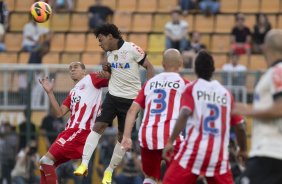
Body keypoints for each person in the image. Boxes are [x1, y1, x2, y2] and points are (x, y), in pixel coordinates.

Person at [74, 23, 155, 184]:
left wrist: (147, 91)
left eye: (101, 39)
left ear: (110, 36)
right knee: (98, 126)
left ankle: (109, 171)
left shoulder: (132, 49)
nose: (100, 43)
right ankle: (84, 163)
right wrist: (107, 73)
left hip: (131, 101)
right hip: (112, 97)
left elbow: (149, 66)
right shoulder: (109, 55)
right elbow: (113, 75)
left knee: (121, 137)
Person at [162, 50, 247, 184]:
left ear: (195, 69)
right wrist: (243, 150)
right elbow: (240, 127)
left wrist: (170, 141)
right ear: (213, 69)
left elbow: (184, 113)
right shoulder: (226, 94)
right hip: (218, 157)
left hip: (193, 153)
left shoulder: (191, 89)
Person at [121, 49, 189, 184]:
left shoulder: (149, 84)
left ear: (163, 64)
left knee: (150, 178)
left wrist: (126, 137)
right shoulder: (185, 84)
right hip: (171, 136)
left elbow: (132, 110)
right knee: (178, 177)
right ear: (181, 63)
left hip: (148, 135)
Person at [38, 61, 108, 184]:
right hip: (69, 131)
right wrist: (50, 92)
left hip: (80, 131)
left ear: (84, 71)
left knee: (45, 161)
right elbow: (60, 113)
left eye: (75, 67)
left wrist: (110, 70)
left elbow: (110, 79)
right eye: (70, 68)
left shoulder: (91, 78)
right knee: (44, 164)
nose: (72, 69)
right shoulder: (73, 91)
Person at [232, 29, 282, 184]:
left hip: (269, 153)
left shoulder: (278, 71)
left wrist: (247, 110)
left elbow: (280, 107)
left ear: (266, 47)